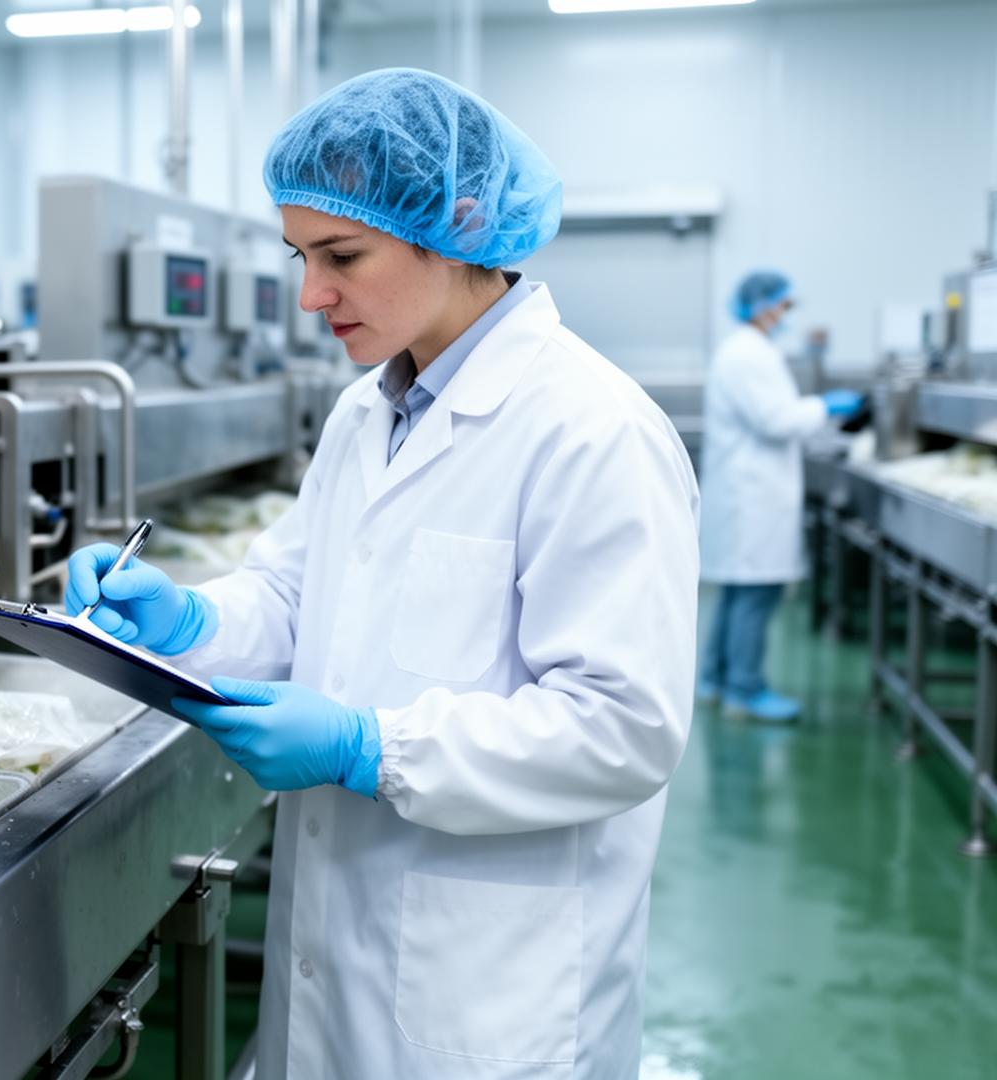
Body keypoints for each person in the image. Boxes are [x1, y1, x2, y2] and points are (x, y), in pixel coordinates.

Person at [64, 69, 699, 1078]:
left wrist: (374, 748)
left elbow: (623, 727)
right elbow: (294, 595)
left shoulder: (593, 431)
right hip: (335, 955)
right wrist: (186, 620)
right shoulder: (368, 413)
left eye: (342, 256)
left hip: (489, 994)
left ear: (456, 226)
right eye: (302, 257)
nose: (312, 295)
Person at [697, 271, 862, 722]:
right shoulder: (748, 355)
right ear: (761, 305)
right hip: (753, 498)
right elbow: (776, 420)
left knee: (739, 594)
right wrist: (826, 407)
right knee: (756, 595)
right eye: (783, 305)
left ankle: (715, 678)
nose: (786, 315)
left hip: (747, 493)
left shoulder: (748, 352)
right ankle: (744, 690)